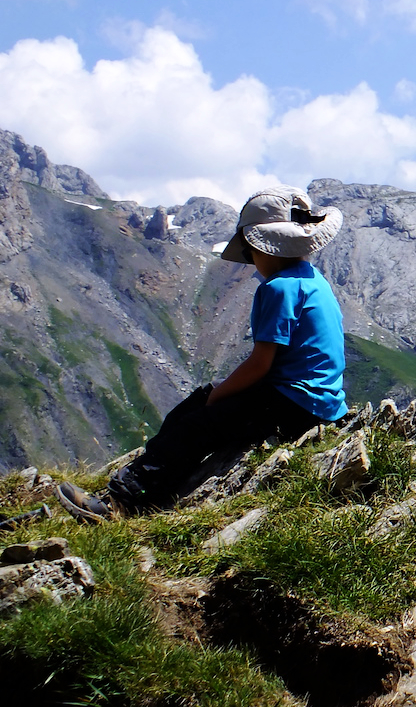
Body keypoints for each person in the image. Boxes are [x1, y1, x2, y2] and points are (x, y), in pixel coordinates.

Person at [54, 185, 348, 522]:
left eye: (252, 251)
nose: (252, 260)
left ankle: (122, 503)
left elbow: (260, 364)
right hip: (320, 401)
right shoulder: (312, 279)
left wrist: (218, 396)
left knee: (197, 423)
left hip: (291, 402)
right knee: (197, 409)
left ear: (262, 247)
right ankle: (139, 487)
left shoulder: (278, 287)